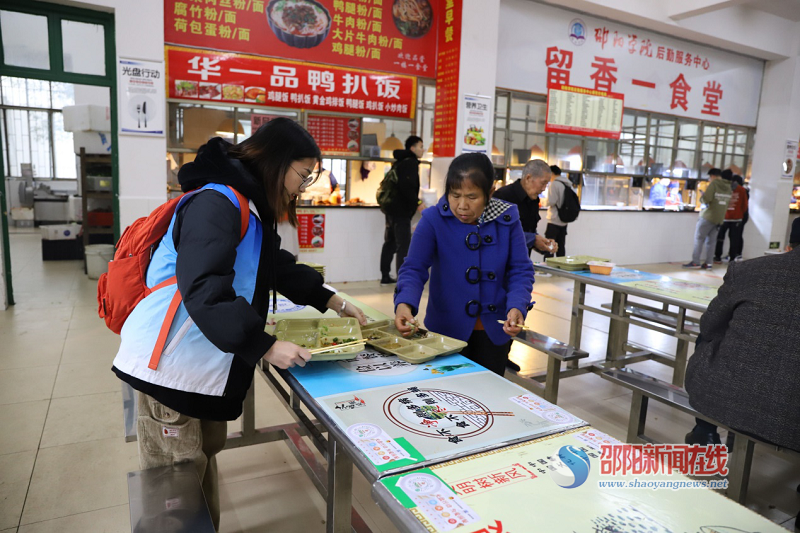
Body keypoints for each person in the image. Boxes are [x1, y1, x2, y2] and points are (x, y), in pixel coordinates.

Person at [111, 118, 367, 531]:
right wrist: (263, 345)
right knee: (176, 484)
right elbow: (204, 287)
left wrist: (330, 299)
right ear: (276, 162)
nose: (304, 186)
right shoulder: (217, 202)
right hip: (170, 365)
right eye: (304, 175)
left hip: (200, 359)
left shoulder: (246, 203)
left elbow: (274, 266)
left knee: (200, 459)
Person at [393, 153, 535, 376]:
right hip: (447, 330)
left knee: (488, 398)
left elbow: (520, 269)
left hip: (495, 330)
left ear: (489, 192)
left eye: (472, 197)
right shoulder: (433, 220)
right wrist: (404, 304)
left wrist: (517, 306)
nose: (462, 206)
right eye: (455, 195)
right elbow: (414, 267)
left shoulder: (507, 219)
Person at [684, 216, 800, 454]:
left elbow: (708, 326)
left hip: (728, 395)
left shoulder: (749, 270)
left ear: (790, 244)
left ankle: (705, 430)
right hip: (792, 415)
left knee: (709, 337)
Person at [380, 135, 424, 285]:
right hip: (401, 211)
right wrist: (418, 202)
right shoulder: (410, 163)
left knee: (390, 243)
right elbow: (408, 188)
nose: (422, 149)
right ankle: (402, 279)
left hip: (391, 209)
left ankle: (385, 276)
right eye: (420, 146)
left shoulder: (399, 162)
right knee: (403, 246)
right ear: (412, 148)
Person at [492, 158, 557, 256]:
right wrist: (533, 239)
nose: (544, 189)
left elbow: (529, 230)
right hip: (501, 262)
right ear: (528, 178)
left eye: (546, 184)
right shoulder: (502, 197)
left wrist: (543, 244)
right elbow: (496, 233)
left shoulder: (534, 200)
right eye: (543, 183)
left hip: (522, 261)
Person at [683, 168, 732, 269]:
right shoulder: (728, 187)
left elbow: (707, 199)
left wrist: (702, 197)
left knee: (699, 238)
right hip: (719, 218)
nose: (709, 179)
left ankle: (696, 262)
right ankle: (709, 263)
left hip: (708, 216)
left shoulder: (714, 184)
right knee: (711, 241)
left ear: (713, 176)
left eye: (710, 177)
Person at [713, 173, 748, 264]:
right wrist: (739, 214)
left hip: (724, 217)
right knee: (734, 239)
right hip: (737, 218)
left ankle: (717, 257)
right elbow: (745, 205)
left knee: (720, 237)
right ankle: (732, 258)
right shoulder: (742, 190)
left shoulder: (724, 188)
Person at [542, 165, 574, 258]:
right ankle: (561, 267)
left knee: (549, 246)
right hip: (564, 220)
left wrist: (542, 201)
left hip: (554, 220)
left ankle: (548, 267)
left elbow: (551, 201)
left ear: (552, 173)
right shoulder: (567, 184)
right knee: (561, 246)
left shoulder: (554, 184)